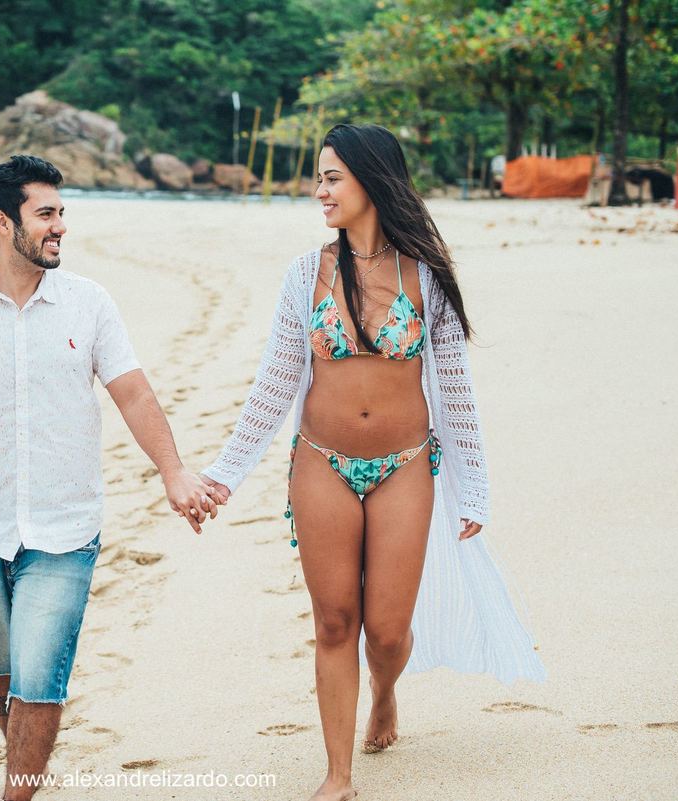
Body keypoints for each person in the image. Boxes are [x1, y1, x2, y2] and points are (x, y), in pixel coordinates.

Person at [200, 124, 544, 801]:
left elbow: (455, 389)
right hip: (321, 462)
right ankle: (338, 775)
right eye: (319, 178)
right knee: (335, 621)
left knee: (385, 632)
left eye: (332, 177)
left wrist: (474, 487)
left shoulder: (426, 277)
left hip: (405, 465)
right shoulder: (305, 275)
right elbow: (274, 386)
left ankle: (384, 691)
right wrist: (224, 473)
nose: (319, 191)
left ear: (371, 180)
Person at [0, 154, 222, 800]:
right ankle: (27, 765)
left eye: (61, 213)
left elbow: (133, 393)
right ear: (3, 222)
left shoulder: (89, 304)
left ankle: (17, 792)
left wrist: (173, 471)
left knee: (39, 677)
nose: (60, 227)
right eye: (45, 214)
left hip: (65, 529)